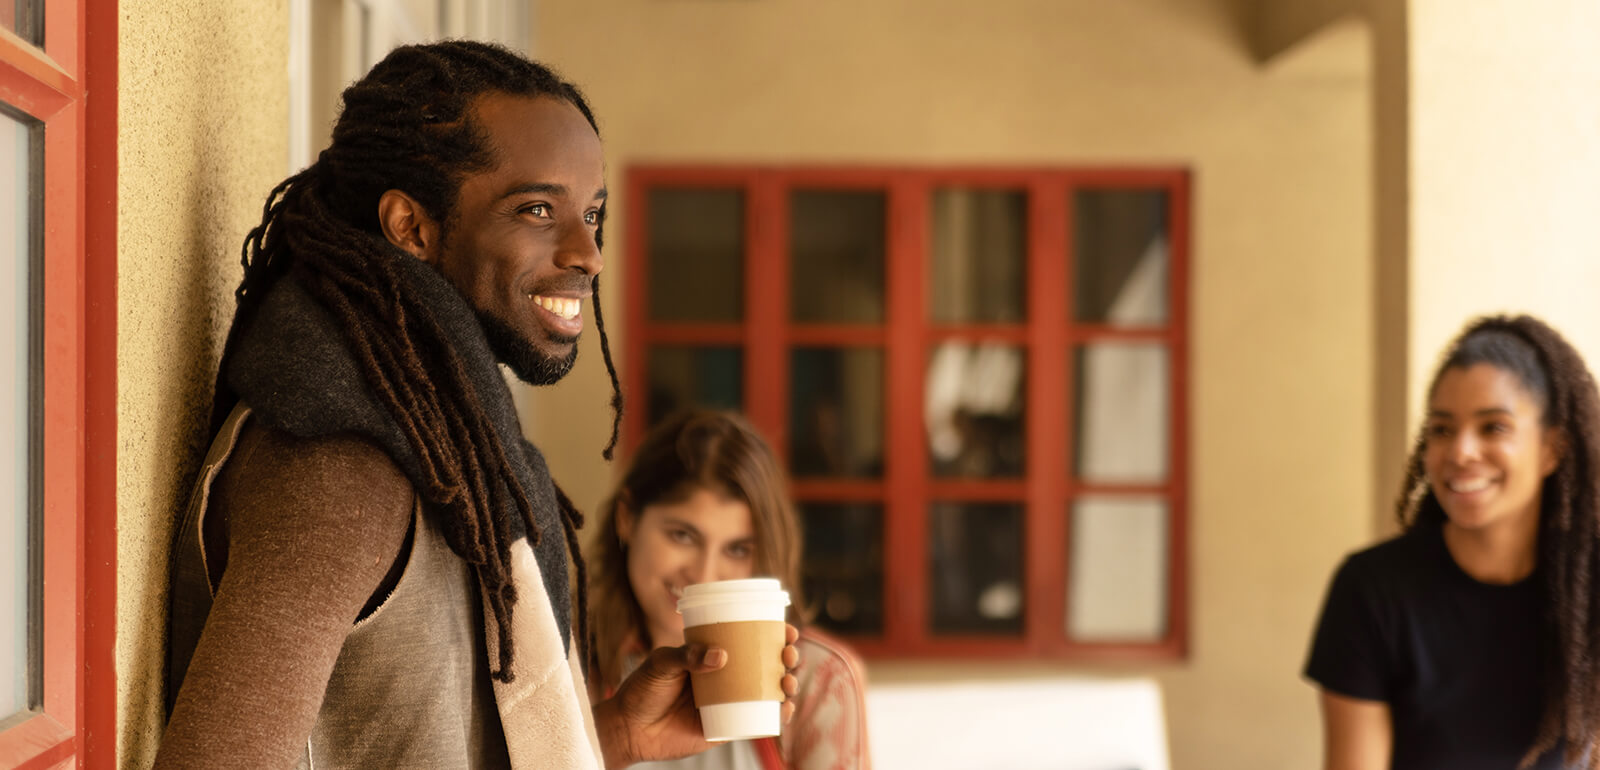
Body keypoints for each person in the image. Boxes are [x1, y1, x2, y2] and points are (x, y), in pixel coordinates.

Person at [157, 41, 796, 768]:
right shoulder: (340, 467)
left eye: (592, 214)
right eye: (536, 208)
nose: (587, 252)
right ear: (413, 229)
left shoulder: (442, 440)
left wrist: (618, 736)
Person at [1305, 315, 1600, 769]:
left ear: (1553, 448)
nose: (1460, 451)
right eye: (1442, 429)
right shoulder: (1372, 590)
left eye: (1493, 427)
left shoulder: (1591, 590)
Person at [589, 408, 872, 770]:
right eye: (682, 535)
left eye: (737, 549)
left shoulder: (819, 680)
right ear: (627, 519)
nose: (705, 574)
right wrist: (620, 739)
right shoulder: (567, 663)